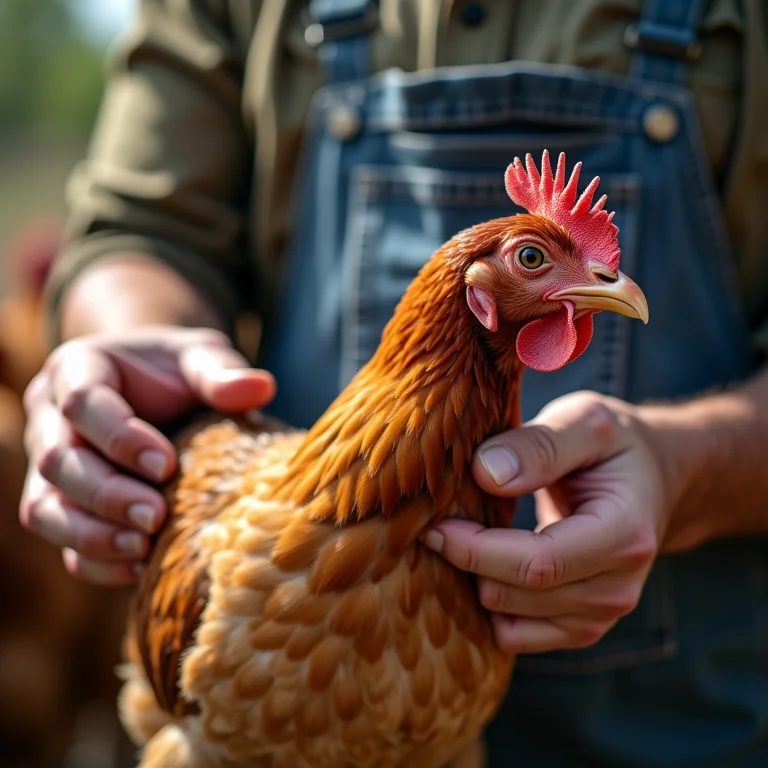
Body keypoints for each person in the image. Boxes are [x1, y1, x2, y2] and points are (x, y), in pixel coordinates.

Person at [20, 0, 768, 764]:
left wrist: (689, 469)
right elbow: (145, 227)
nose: (604, 278)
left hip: (676, 728)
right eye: (536, 261)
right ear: (472, 293)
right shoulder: (237, 579)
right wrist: (137, 347)